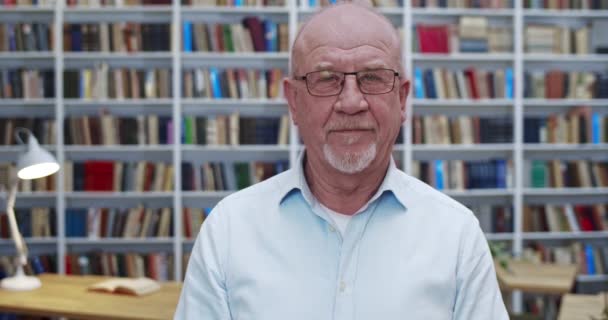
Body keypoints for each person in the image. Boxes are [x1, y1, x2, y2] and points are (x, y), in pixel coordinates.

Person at [174, 3, 509, 319]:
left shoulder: (456, 236)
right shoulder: (229, 231)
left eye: (373, 78)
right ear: (293, 102)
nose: (351, 102)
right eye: (326, 79)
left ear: (402, 99)